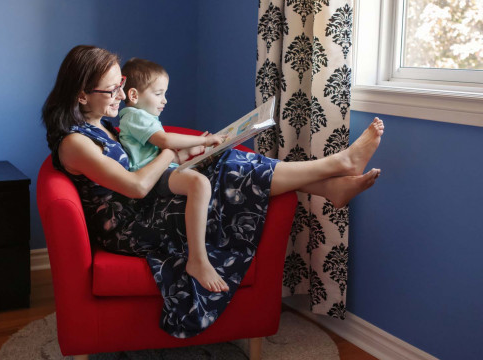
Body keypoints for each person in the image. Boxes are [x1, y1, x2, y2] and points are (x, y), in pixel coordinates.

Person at [42, 45, 383, 338]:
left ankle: (330, 182)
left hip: (147, 204)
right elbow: (136, 185)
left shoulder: (99, 123)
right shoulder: (75, 143)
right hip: (130, 226)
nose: (120, 95)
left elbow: (138, 165)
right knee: (220, 179)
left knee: (229, 161)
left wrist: (195, 152)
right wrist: (169, 154)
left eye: (120, 86)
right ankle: (335, 169)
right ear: (81, 94)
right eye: (110, 90)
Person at [119, 58, 229, 293]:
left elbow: (160, 149)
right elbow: (166, 141)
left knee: (209, 176)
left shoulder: (143, 118)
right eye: (159, 93)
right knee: (199, 183)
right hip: (152, 177)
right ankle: (197, 259)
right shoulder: (133, 116)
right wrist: (204, 139)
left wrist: (190, 152)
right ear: (134, 95)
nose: (164, 100)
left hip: (161, 171)